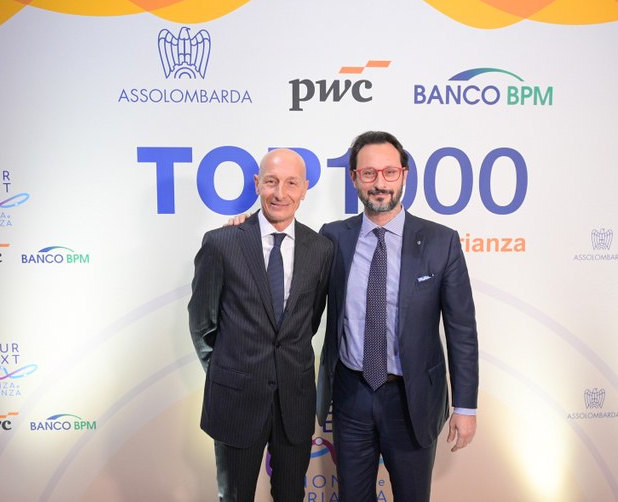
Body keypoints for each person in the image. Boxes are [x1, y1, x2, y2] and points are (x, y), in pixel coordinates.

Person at [316, 131, 479, 501]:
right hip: (351, 395)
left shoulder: (441, 241)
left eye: (389, 172)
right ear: (354, 178)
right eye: (369, 173)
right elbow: (293, 273)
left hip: (413, 398)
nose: (380, 183)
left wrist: (465, 407)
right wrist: (246, 232)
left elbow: (462, 331)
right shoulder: (333, 238)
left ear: (403, 175)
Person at [187, 148, 333, 502]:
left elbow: (309, 320)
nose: (280, 193)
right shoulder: (222, 243)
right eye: (271, 182)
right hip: (235, 401)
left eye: (291, 183)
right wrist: (228, 371)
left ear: (304, 189)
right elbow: (202, 322)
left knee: (291, 496)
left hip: (294, 401)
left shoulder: (321, 249)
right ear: (257, 184)